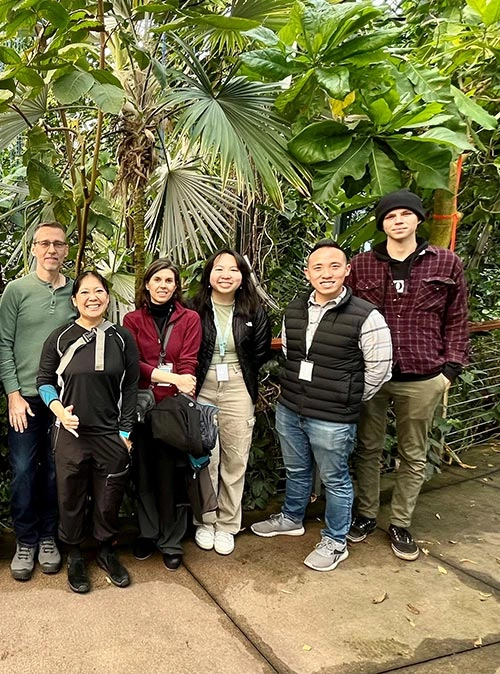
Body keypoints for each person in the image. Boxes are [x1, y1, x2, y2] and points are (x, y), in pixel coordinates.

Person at [250, 240, 392, 572]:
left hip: (332, 416)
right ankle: (291, 518)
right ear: (307, 273)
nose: (325, 273)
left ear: (346, 270)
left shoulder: (366, 315)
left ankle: (335, 540)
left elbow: (380, 369)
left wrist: (346, 398)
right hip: (291, 407)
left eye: (333, 266)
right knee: (297, 470)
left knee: (335, 478)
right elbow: (289, 352)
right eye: (318, 267)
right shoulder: (295, 309)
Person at [346, 189, 470, 561]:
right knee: (367, 448)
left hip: (423, 374)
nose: (397, 221)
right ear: (381, 224)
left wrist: (449, 370)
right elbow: (345, 313)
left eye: (405, 214)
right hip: (373, 375)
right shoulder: (362, 264)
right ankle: (367, 515)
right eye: (389, 216)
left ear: (419, 219)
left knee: (412, 453)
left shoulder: (446, 263)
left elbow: (457, 319)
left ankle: (400, 522)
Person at [36, 271, 140, 593]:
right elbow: (43, 380)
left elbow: (131, 387)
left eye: (99, 291)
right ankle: (75, 554)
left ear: (107, 297)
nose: (92, 297)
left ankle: (106, 550)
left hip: (110, 434)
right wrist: (57, 411)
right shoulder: (60, 336)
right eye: (85, 292)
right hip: (71, 433)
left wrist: (125, 433)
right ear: (74, 299)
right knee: (70, 496)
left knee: (109, 498)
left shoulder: (122, 339)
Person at [0, 222, 76, 581]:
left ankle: (48, 537)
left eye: (58, 244)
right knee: (25, 470)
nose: (51, 250)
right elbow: (4, 345)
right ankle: (25, 541)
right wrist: (13, 394)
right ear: (32, 248)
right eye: (44, 243)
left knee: (56, 472)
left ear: (66, 250)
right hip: (25, 398)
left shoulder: (77, 292)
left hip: (65, 400)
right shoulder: (17, 290)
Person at [191, 250, 272, 556]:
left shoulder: (254, 310)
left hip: (239, 385)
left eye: (234, 270)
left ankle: (227, 524)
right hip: (202, 386)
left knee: (236, 459)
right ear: (209, 275)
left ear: (242, 277)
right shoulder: (194, 309)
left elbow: (261, 351)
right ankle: (205, 521)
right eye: (219, 269)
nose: (226, 275)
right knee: (205, 459)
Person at [122, 259, 200, 570]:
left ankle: (171, 540)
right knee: (143, 474)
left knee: (171, 476)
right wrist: (171, 379)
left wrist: (181, 382)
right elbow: (133, 363)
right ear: (147, 285)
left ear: (176, 286)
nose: (163, 285)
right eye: (157, 280)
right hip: (141, 406)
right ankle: (147, 533)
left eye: (169, 280)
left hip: (173, 409)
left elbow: (190, 361)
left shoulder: (189, 318)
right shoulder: (132, 319)